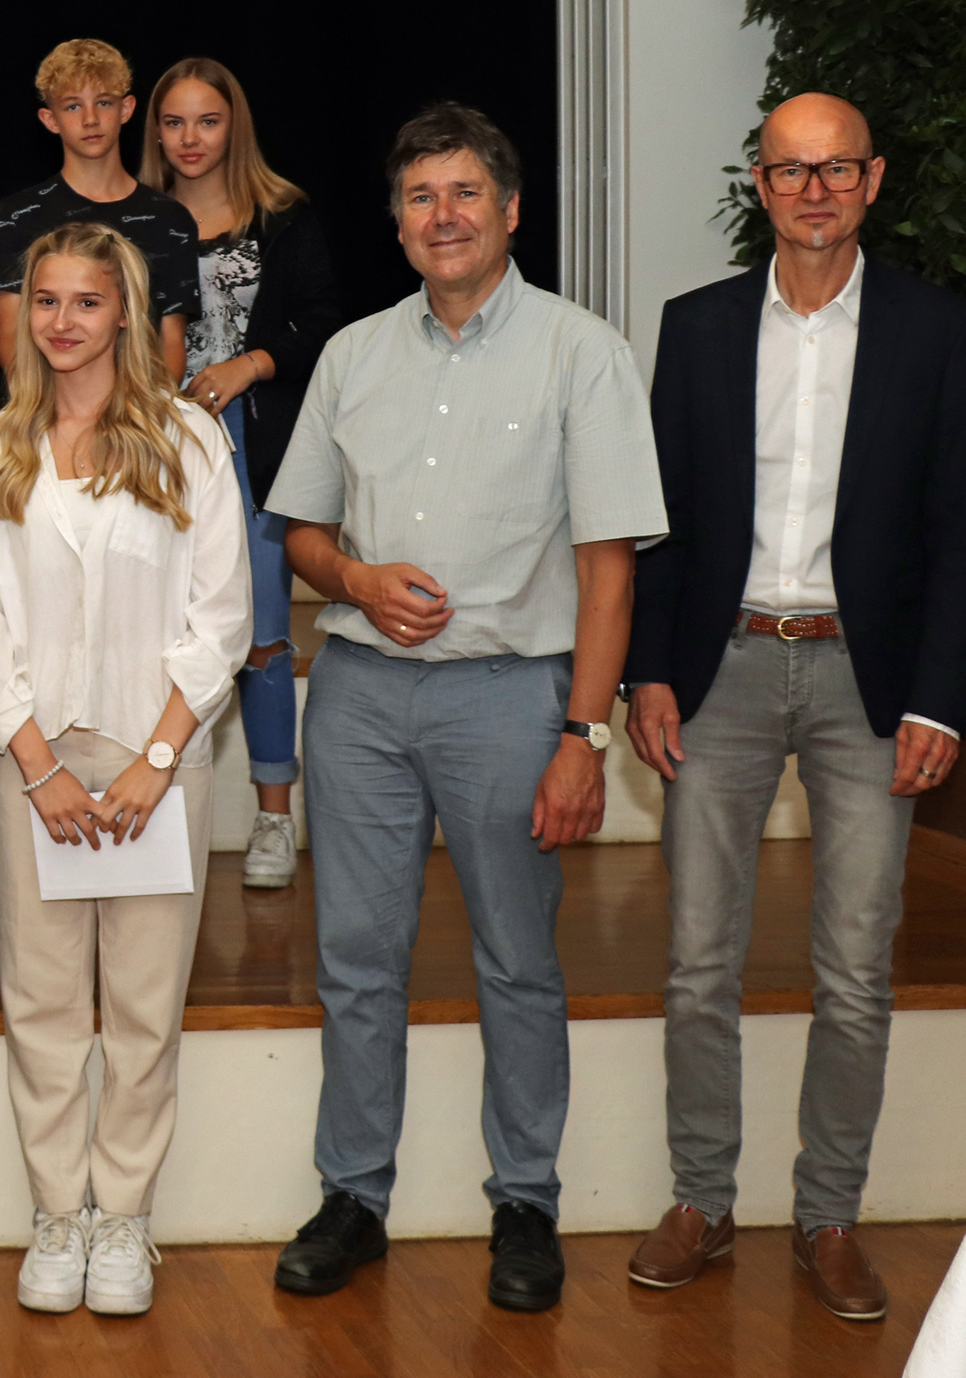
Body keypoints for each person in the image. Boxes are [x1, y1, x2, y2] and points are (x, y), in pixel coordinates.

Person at [264, 103, 665, 1314]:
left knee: (516, 963)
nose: (441, 216)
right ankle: (353, 1196)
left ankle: (526, 1201)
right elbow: (305, 539)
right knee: (355, 960)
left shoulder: (579, 352)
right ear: (395, 224)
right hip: (360, 698)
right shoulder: (352, 356)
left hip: (510, 697)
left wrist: (581, 736)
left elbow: (609, 568)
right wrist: (355, 581)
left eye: (463, 194)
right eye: (419, 199)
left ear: (510, 210)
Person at [620, 93, 966, 1322]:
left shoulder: (935, 331)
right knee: (696, 961)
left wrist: (941, 696)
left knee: (855, 973)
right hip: (719, 671)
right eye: (788, 169)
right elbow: (655, 523)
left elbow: (953, 532)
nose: (812, 189)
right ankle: (702, 1200)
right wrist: (646, 668)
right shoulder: (696, 327)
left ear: (871, 182)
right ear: (757, 186)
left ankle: (828, 1215)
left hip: (867, 685)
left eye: (835, 170)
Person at [0, 222, 249, 1317]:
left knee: (140, 1004)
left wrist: (157, 761)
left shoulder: (187, 439)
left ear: (125, 311)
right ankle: (55, 1213)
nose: (63, 322)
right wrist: (36, 766)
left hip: (152, 763)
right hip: (36, 765)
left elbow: (221, 618)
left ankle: (121, 1218)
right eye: (44, 302)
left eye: (86, 301)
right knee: (39, 1001)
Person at [141, 56, 344, 889]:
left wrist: (250, 364)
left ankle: (272, 819)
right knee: (159, 636)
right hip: (159, 455)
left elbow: (327, 325)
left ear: (235, 127)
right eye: (175, 121)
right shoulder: (140, 221)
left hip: (257, 454)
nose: (191, 138)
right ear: (155, 131)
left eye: (208, 121)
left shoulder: (284, 214)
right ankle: (148, 807)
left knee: (263, 639)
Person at [0, 40, 202, 391]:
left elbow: (170, 343)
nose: (90, 119)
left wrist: (141, 418)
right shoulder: (17, 216)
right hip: (43, 422)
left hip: (134, 423)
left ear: (126, 108)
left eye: (103, 102)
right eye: (72, 106)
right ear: (50, 119)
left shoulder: (169, 220)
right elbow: (9, 341)